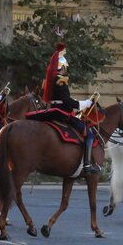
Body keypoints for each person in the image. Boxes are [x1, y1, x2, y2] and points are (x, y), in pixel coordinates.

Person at [42, 42, 101, 174]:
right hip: (63, 113)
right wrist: (84, 104)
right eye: (64, 67)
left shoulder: (49, 80)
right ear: (61, 67)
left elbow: (62, 98)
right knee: (89, 134)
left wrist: (75, 101)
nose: (65, 70)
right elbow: (66, 102)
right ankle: (87, 165)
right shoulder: (60, 80)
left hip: (52, 111)